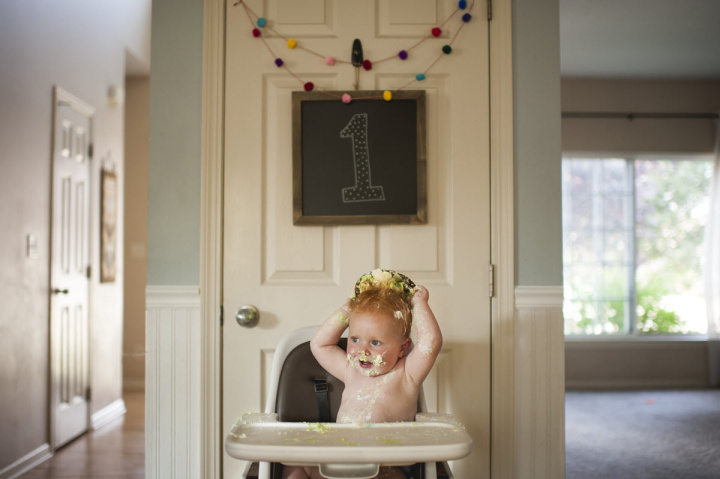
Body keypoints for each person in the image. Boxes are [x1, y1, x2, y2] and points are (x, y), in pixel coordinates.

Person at [281, 269, 443, 479]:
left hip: (384, 468)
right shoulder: (351, 371)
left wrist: (419, 303)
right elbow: (319, 344)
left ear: (403, 348)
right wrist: (348, 310)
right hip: (339, 463)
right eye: (355, 339)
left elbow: (431, 342)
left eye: (375, 343)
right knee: (295, 467)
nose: (362, 350)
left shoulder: (407, 375)